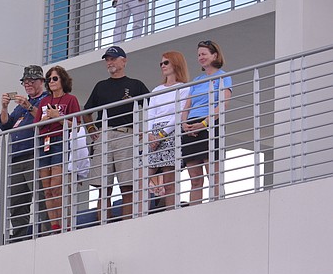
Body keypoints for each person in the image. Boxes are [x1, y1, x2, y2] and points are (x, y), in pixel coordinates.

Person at [82, 46, 150, 221]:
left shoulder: (135, 84)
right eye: (107, 59)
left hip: (126, 135)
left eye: (113, 58)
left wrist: (146, 130)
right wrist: (91, 130)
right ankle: (104, 223)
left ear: (124, 61)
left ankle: (127, 223)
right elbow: (86, 111)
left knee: (127, 185)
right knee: (103, 187)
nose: (109, 62)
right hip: (104, 134)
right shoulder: (100, 86)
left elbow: (153, 105)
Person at [0, 65, 44, 242]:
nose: (28, 84)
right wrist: (4, 107)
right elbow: (5, 125)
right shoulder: (19, 108)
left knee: (41, 197)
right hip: (16, 158)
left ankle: (47, 233)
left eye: (32, 81)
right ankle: (19, 238)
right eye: (25, 81)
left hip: (34, 154)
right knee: (16, 202)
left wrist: (29, 105)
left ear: (41, 81)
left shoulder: (46, 99)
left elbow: (44, 117)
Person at [182, 40, 232, 205]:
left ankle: (217, 208)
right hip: (191, 127)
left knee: (213, 175)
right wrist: (184, 124)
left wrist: (204, 123)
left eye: (204, 54)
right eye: (199, 55)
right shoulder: (197, 79)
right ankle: (193, 212)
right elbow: (186, 106)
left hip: (209, 124)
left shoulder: (223, 76)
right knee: (195, 179)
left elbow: (224, 104)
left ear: (214, 55)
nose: (200, 57)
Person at [38, 66, 81, 233]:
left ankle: (64, 224)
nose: (51, 82)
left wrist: (59, 118)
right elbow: (36, 125)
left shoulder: (70, 99)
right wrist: (44, 119)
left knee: (57, 186)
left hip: (60, 141)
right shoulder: (44, 101)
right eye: (49, 79)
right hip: (44, 143)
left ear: (62, 80)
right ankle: (55, 225)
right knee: (47, 189)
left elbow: (77, 124)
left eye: (54, 78)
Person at [147, 51, 190, 210]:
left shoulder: (184, 88)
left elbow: (178, 114)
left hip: (170, 132)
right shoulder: (156, 90)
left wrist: (161, 134)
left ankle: (170, 212)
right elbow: (150, 113)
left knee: (169, 180)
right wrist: (150, 134)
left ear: (175, 64)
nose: (163, 66)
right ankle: (140, 213)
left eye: (166, 63)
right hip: (154, 132)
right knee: (142, 177)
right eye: (161, 63)